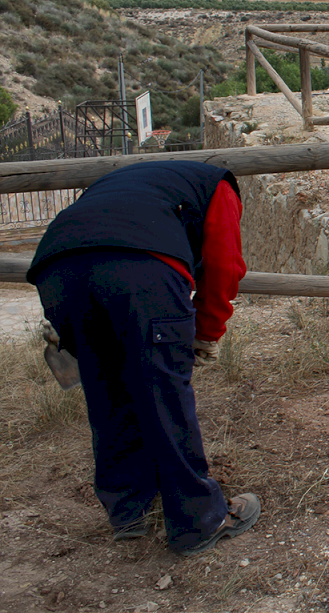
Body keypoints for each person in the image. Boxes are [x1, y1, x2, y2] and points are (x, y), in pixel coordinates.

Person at [27, 161, 258, 555]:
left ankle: (128, 511)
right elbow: (224, 265)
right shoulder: (219, 185)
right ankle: (201, 521)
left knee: (107, 387)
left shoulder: (123, 184)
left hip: (58, 269)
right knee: (164, 393)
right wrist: (207, 331)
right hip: (140, 269)